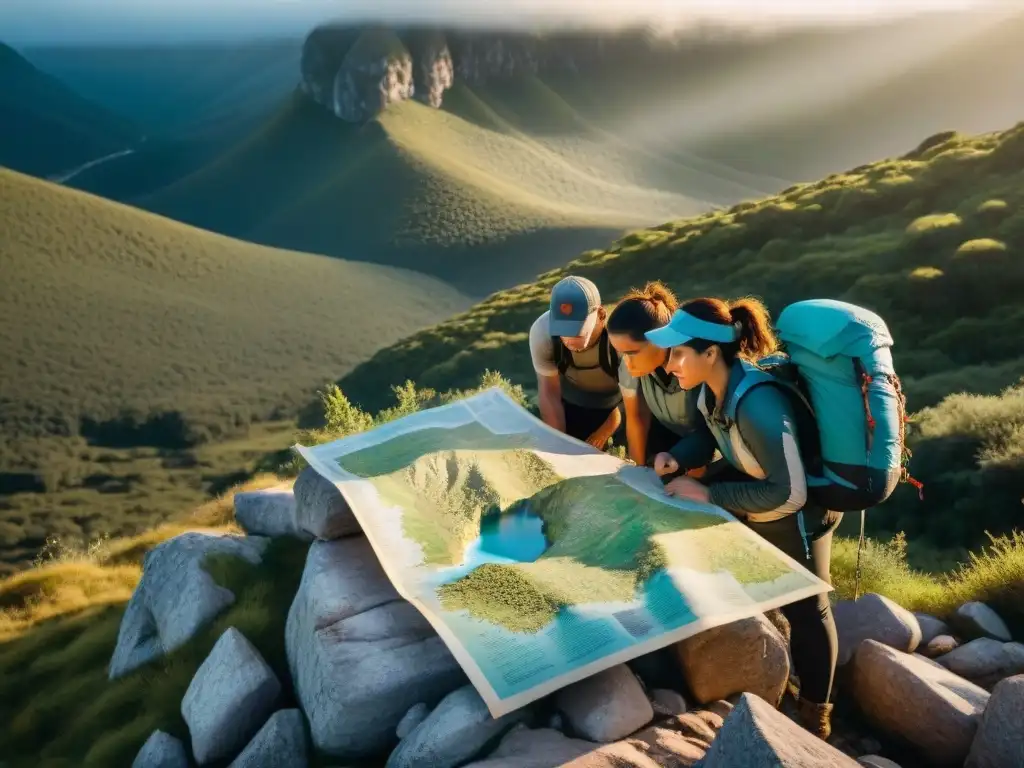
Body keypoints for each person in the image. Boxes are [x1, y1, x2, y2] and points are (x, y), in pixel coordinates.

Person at [644, 295, 841, 741]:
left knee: (808, 608)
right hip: (762, 496)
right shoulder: (710, 388)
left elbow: (790, 493)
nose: (669, 365)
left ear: (711, 353)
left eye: (678, 354)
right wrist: (678, 457)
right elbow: (709, 434)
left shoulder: (758, 404)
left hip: (801, 513)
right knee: (782, 599)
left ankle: (817, 716)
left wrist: (709, 493)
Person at [606, 281, 704, 469]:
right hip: (669, 434)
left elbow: (708, 432)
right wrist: (639, 474)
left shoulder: (696, 362)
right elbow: (637, 418)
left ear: (660, 340)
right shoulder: (631, 367)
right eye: (622, 353)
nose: (627, 362)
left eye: (632, 353)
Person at [529, 275, 623, 448]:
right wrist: (558, 447)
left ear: (600, 315)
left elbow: (639, 401)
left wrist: (606, 429)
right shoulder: (543, 331)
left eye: (576, 330)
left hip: (617, 409)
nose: (568, 340)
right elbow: (549, 393)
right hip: (570, 406)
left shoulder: (619, 335)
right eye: (562, 330)